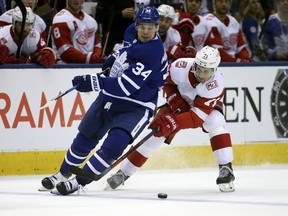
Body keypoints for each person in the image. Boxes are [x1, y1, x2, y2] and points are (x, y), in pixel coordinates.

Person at [39, 6, 168, 195]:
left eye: (151, 27)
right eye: (142, 26)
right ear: (136, 25)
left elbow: (126, 86)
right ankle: (62, 174)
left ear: (157, 28)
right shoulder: (131, 31)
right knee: (86, 135)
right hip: (110, 96)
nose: (146, 31)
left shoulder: (152, 52)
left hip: (137, 105)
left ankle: (79, 182)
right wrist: (113, 59)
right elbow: (126, 49)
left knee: (115, 143)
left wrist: (93, 82)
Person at [107, 46, 236, 193]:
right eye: (198, 68)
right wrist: (174, 99)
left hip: (202, 110)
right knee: (153, 136)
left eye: (206, 71)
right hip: (179, 100)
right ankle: (123, 173)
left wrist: (172, 121)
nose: (200, 74)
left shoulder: (215, 85)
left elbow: (196, 119)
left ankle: (226, 167)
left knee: (215, 122)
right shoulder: (180, 67)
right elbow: (165, 82)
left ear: (214, 70)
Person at [173, 0, 242, 62]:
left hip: (199, 64)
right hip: (177, 62)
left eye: (197, 2)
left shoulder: (205, 23)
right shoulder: (175, 19)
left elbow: (213, 48)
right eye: (190, 1)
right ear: (185, 3)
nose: (193, 4)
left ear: (200, 5)